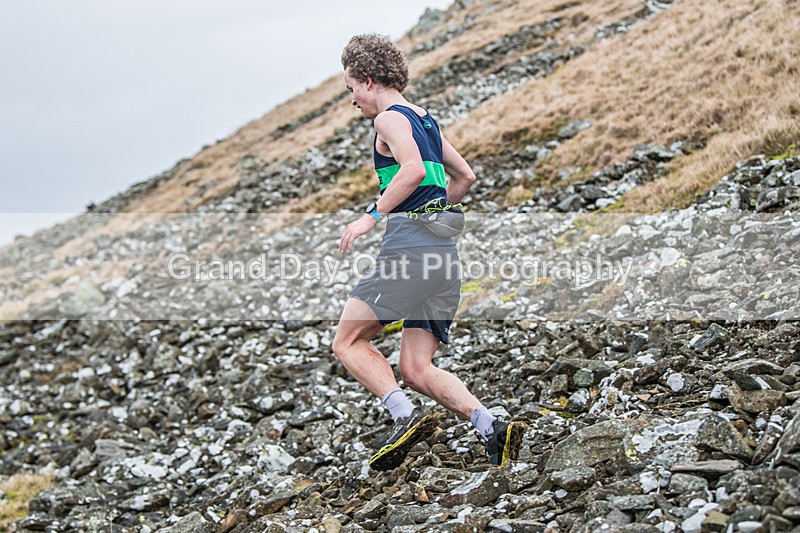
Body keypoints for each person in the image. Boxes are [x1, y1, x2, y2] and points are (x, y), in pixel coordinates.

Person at [331, 33, 523, 472]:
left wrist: (371, 216)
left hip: (408, 252)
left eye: (351, 88)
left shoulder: (388, 120)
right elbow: (465, 176)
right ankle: (491, 426)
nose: (352, 100)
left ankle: (403, 415)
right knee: (416, 367)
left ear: (370, 79)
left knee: (348, 341)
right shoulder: (424, 119)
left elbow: (414, 170)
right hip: (443, 258)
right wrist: (437, 213)